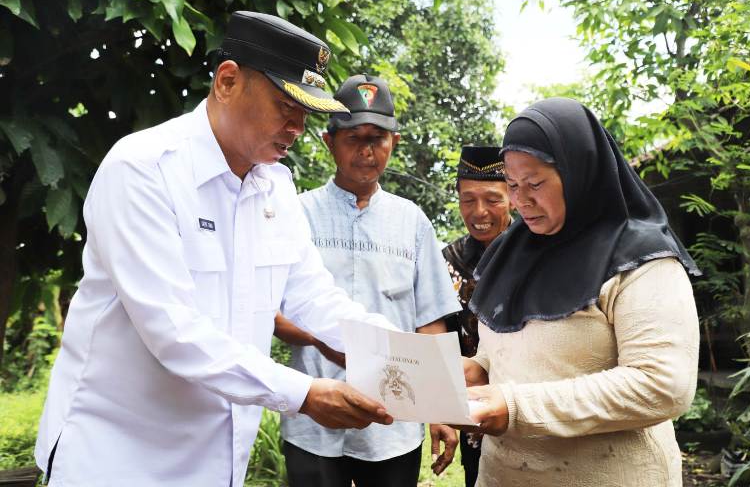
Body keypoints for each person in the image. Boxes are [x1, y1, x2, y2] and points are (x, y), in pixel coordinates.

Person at [34, 12, 398, 487]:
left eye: (305, 112)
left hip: (217, 463)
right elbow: (174, 331)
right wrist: (304, 392)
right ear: (227, 81)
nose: (296, 126)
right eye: (284, 104)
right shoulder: (143, 170)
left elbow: (314, 298)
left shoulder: (276, 187)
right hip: (115, 458)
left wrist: (410, 361)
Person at [459, 98, 701, 486]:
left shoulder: (640, 259)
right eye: (513, 185)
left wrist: (517, 406)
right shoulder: (511, 252)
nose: (521, 200)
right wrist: (480, 367)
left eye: (535, 183)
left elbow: (663, 385)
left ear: (577, 172)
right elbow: (511, 340)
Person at [274, 73, 461, 487]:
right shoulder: (295, 214)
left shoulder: (412, 222)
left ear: (393, 143)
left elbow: (430, 321)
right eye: (353, 138)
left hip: (393, 422)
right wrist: (328, 342)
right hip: (313, 419)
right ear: (329, 142)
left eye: (377, 137)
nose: (366, 150)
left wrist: (441, 408)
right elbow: (270, 313)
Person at [442, 145, 512, 487]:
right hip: (472, 407)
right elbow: (437, 331)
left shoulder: (537, 254)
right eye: (468, 200)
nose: (479, 211)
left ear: (513, 196)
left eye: (492, 199)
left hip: (528, 401)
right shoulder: (447, 261)